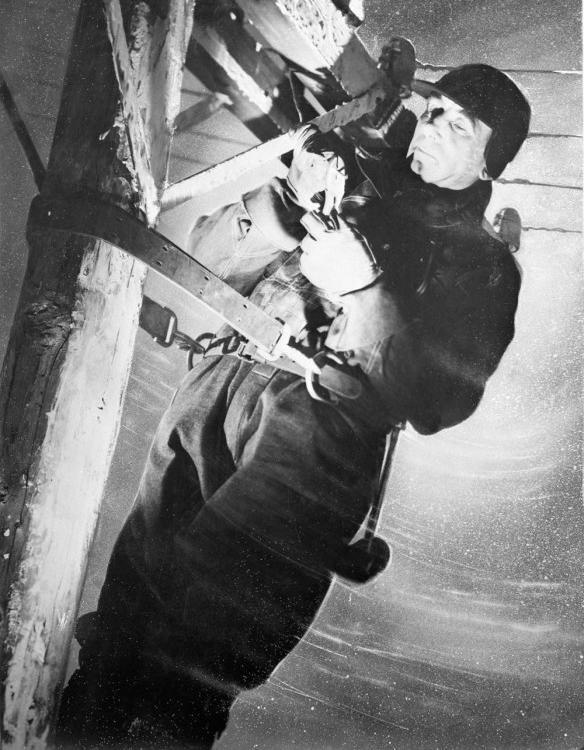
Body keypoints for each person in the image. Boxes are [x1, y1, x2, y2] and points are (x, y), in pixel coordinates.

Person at [56, 63, 531, 748]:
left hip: (317, 429)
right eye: (433, 112)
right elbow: (205, 257)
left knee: (200, 646)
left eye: (461, 126)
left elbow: (438, 397)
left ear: (493, 159)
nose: (431, 129)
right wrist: (285, 201)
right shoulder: (353, 187)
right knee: (125, 621)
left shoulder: (480, 259)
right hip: (214, 389)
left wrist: (364, 290)